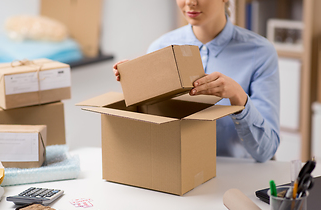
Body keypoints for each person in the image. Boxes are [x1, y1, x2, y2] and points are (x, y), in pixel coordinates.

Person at [113, 0, 280, 163]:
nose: (190, 2)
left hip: (232, 177)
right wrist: (133, 83)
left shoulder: (260, 52)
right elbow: (149, 132)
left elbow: (266, 150)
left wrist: (238, 96)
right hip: (173, 171)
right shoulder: (161, 48)